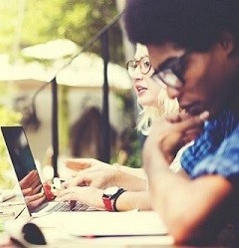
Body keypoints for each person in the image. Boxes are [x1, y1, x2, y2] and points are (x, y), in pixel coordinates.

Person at [124, 0, 239, 245]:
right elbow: (183, 184)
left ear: (225, 42)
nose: (172, 91)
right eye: (161, 77)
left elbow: (185, 217)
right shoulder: (224, 112)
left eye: (174, 69)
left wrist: (153, 150)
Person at [56, 44, 182, 211]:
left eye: (146, 64)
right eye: (135, 65)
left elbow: (173, 195)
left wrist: (107, 197)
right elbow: (162, 182)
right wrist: (112, 172)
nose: (136, 75)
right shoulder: (173, 124)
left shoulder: (198, 124)